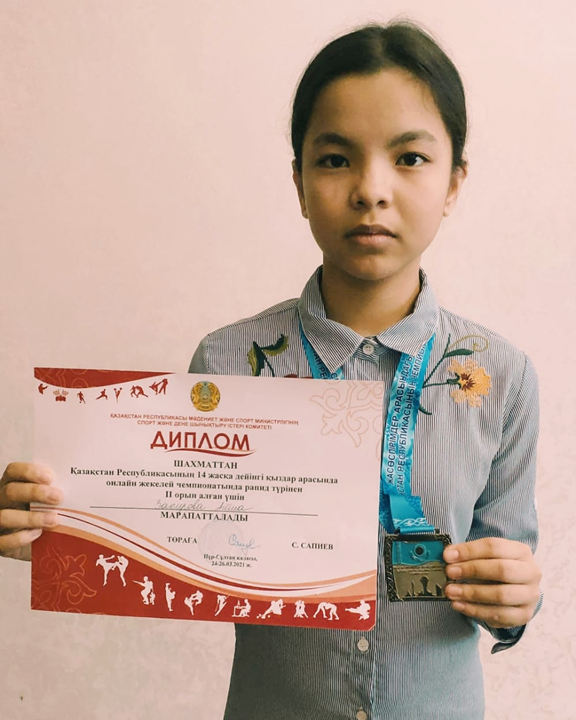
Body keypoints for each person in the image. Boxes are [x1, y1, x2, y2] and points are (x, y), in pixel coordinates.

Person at [0, 19, 542, 720]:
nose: (371, 189)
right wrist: (63, 525)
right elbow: (179, 531)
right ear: (299, 182)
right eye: (335, 159)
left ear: (454, 182)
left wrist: (517, 600)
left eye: (409, 157)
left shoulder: (501, 378)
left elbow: (511, 571)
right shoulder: (226, 365)